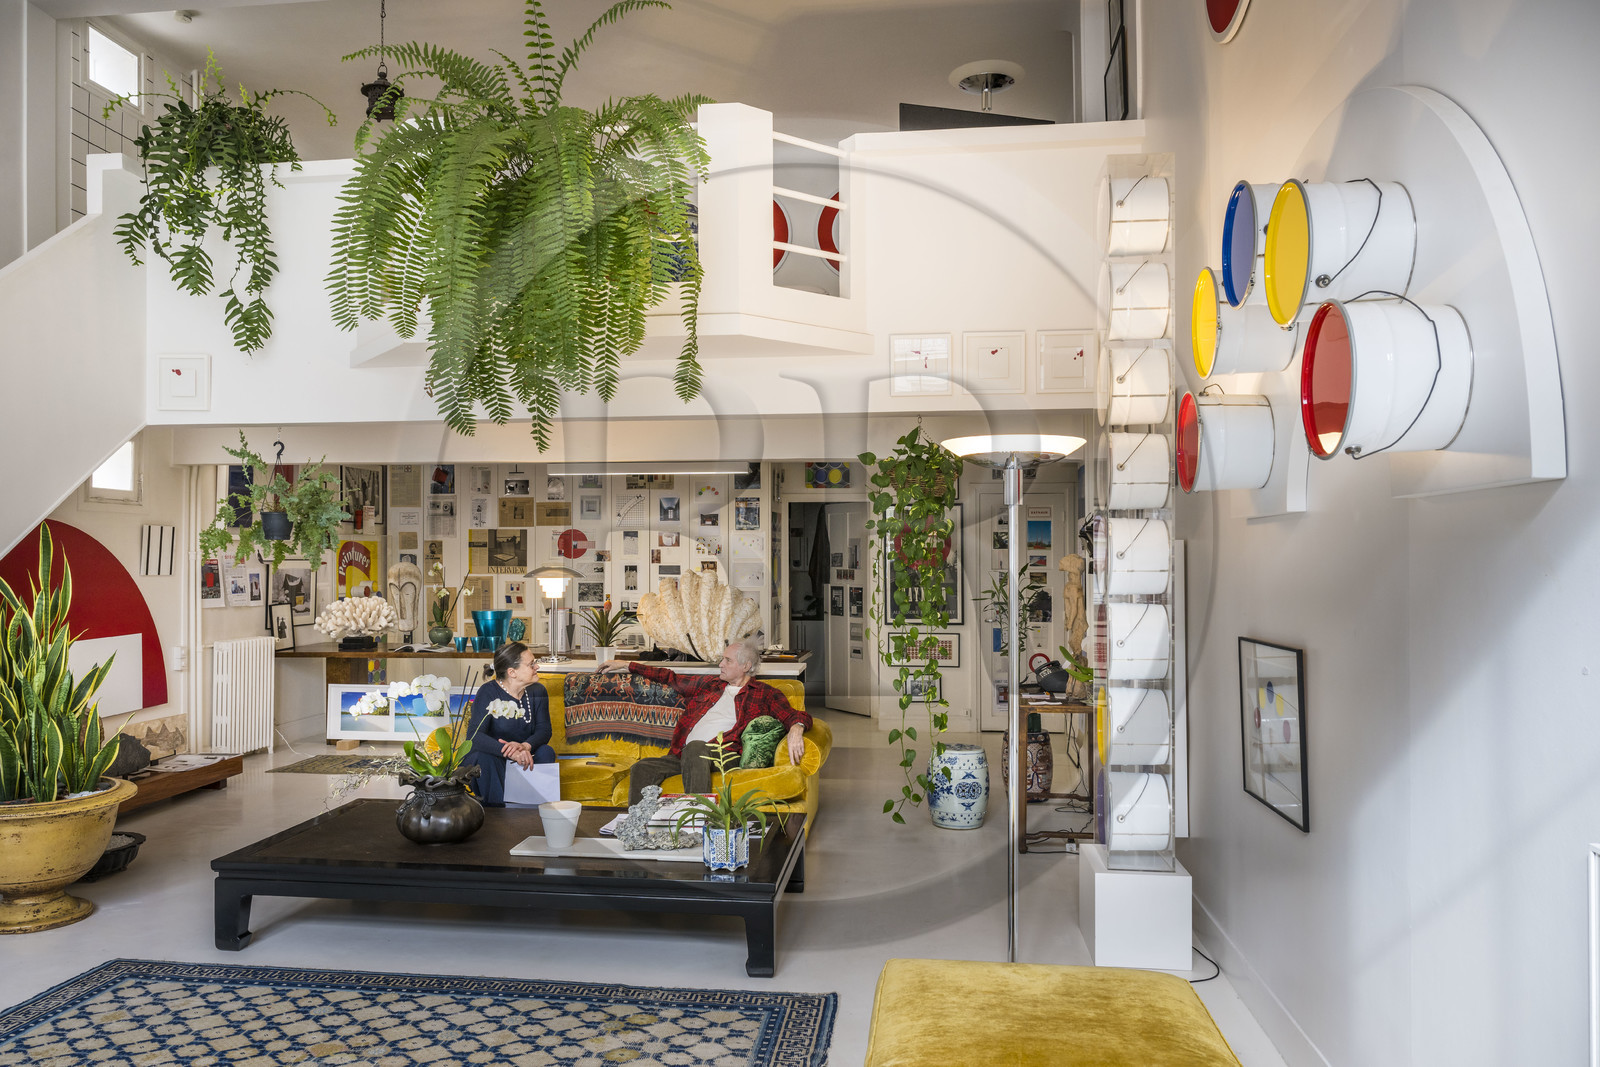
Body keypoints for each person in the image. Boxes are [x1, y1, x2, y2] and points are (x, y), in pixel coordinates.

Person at [600, 639, 810, 804]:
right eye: (722, 659)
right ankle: (637, 826)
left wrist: (796, 729)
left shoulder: (764, 693)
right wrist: (626, 664)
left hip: (724, 755)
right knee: (642, 767)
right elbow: (669, 677)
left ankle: (697, 820)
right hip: (684, 754)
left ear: (746, 666)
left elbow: (794, 715)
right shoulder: (710, 684)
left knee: (695, 747)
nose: (721, 664)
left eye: (728, 660)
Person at [464, 642, 555, 806]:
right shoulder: (488, 691)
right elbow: (474, 736)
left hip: (526, 754)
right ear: (512, 672)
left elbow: (544, 730)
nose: (537, 666)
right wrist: (510, 752)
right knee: (485, 758)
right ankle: (498, 815)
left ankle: (536, 810)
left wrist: (525, 746)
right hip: (493, 756)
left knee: (546, 751)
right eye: (531, 664)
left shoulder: (537, 691)